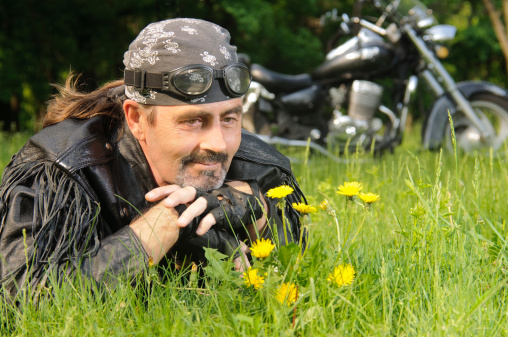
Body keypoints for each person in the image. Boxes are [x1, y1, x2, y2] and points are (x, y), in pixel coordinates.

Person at [0, 18, 306, 299]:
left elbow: (304, 275)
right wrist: (171, 221)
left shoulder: (258, 166)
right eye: (193, 121)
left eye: (229, 119)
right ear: (136, 120)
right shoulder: (65, 171)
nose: (218, 144)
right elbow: (24, 298)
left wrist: (258, 212)